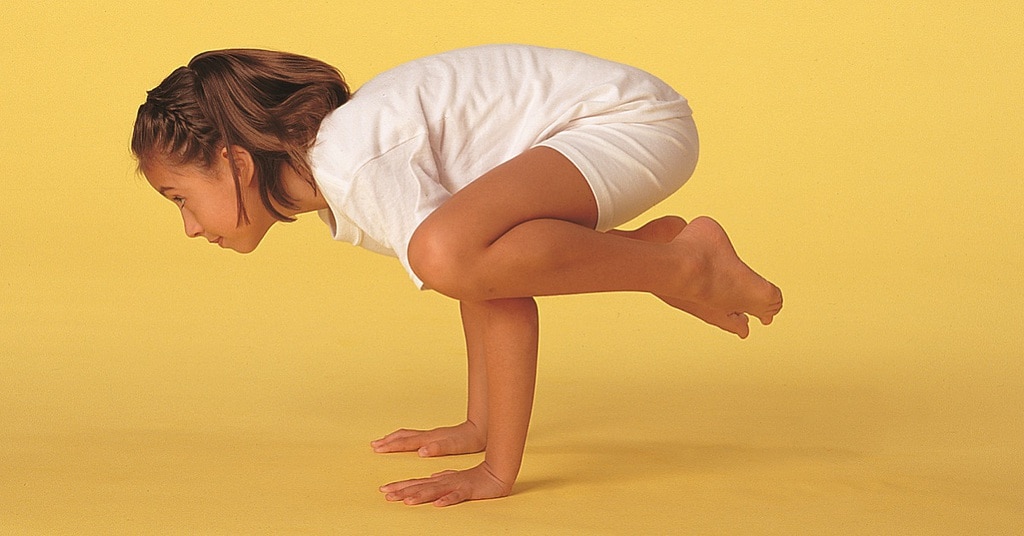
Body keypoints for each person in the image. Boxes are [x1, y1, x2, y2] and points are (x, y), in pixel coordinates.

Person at [131, 44, 782, 507]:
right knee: (456, 254)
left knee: (445, 254)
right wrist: (479, 428)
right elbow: (493, 282)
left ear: (235, 162)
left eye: (179, 197)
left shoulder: (353, 161)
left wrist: (497, 472)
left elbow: (481, 283)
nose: (189, 225)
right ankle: (661, 252)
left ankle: (683, 264)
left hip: (632, 125)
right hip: (610, 133)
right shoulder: (347, 173)